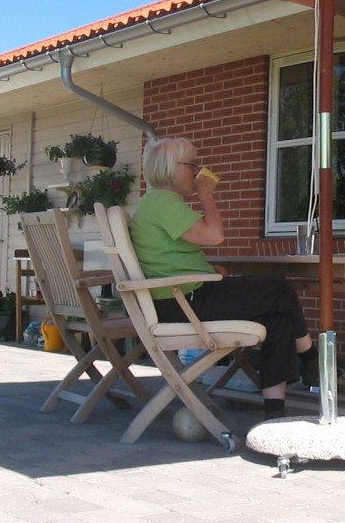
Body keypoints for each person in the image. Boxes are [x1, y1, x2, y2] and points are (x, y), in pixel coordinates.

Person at [130, 136, 318, 415]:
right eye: (191, 164)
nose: (197, 170)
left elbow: (170, 256)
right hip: (185, 302)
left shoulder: (155, 203)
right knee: (279, 287)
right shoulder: (163, 202)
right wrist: (206, 193)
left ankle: (275, 412)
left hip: (182, 298)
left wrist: (207, 271)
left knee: (279, 321)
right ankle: (311, 359)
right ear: (170, 167)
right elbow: (215, 236)